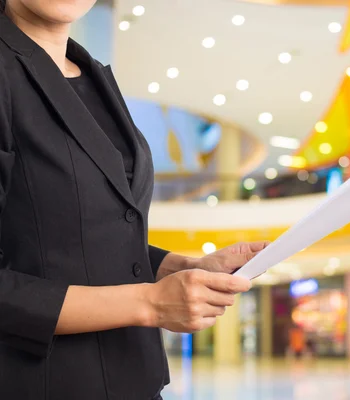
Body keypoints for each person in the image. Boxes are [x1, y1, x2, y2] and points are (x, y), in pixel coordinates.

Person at [0, 1, 268, 399]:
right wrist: (150, 303)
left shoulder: (91, 75)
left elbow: (74, 237)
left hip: (133, 379)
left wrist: (181, 267)